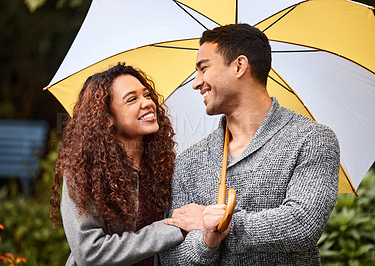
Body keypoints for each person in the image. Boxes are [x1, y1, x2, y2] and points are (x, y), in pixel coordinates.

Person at [160, 23, 340, 265]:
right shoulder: (188, 161)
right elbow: (172, 257)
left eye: (203, 69)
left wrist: (221, 222)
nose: (196, 82)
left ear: (239, 66)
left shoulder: (311, 139)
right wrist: (207, 241)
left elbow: (301, 223)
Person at [50, 63, 198, 265]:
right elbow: (89, 252)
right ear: (107, 118)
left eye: (146, 95)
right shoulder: (85, 174)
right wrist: (173, 229)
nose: (147, 103)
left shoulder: (163, 167)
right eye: (132, 99)